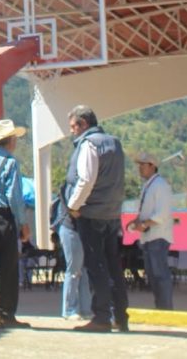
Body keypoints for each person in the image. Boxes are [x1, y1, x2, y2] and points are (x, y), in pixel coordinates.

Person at [64, 105, 129, 333]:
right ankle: (120, 316)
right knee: (113, 265)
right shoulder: (115, 143)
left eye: (73, 126)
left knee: (96, 265)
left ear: (83, 124)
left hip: (91, 214)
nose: (72, 131)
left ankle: (101, 316)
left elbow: (86, 179)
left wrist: (73, 206)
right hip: (112, 213)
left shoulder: (89, 144)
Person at [0, 119, 30, 329]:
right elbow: (14, 197)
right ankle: (5, 313)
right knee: (7, 267)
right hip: (3, 216)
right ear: (10, 140)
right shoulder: (10, 162)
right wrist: (23, 223)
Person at [127, 152, 173, 309]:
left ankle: (166, 309)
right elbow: (146, 212)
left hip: (158, 237)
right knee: (153, 276)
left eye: (143, 164)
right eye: (139, 165)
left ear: (153, 166)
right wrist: (137, 221)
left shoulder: (160, 185)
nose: (140, 168)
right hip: (148, 237)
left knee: (160, 274)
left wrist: (145, 224)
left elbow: (162, 213)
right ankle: (161, 308)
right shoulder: (148, 186)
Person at [52, 181, 92, 320]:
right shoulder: (72, 185)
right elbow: (73, 210)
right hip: (70, 228)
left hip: (80, 230)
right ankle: (69, 309)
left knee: (83, 270)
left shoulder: (82, 184)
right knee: (74, 269)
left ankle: (86, 309)